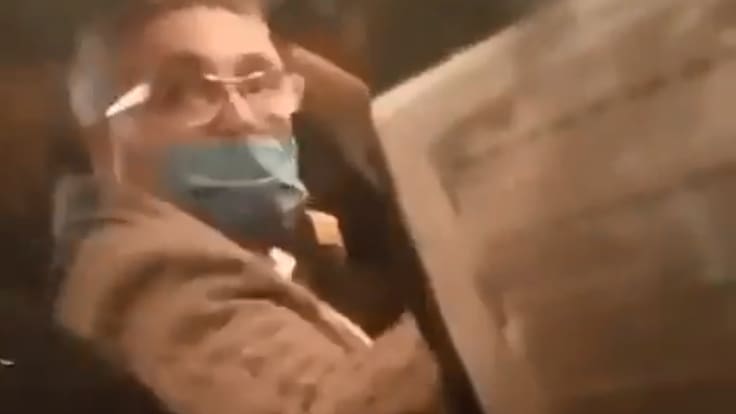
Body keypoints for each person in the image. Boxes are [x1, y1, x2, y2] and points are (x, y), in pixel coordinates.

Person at [52, 1, 442, 414]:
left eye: (258, 84)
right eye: (180, 93)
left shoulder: (278, 251)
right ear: (101, 146)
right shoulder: (147, 278)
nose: (241, 118)